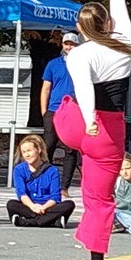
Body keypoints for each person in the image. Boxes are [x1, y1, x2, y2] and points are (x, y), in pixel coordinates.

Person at [56, 0, 131, 260]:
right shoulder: (124, 41)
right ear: (107, 24)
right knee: (100, 202)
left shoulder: (78, 53)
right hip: (108, 133)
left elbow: (84, 90)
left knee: (64, 104)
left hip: (74, 127)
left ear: (79, 29)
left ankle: (68, 143)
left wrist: (85, 121)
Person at [5, 134, 76, 228]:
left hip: (47, 207)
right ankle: (51, 221)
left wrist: (43, 207)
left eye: (29, 151)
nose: (27, 155)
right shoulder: (19, 170)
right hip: (29, 206)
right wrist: (33, 206)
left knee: (69, 204)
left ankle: (27, 222)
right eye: (24, 152)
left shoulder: (52, 170)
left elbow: (55, 197)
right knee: (11, 204)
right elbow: (21, 193)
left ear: (38, 150)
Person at [42, 30, 81, 187]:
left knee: (71, 150)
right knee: (47, 148)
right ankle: (46, 182)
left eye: (73, 44)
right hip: (54, 110)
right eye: (67, 43)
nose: (69, 47)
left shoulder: (83, 64)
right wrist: (44, 111)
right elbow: (46, 88)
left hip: (74, 111)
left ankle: (64, 186)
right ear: (62, 44)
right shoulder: (53, 64)